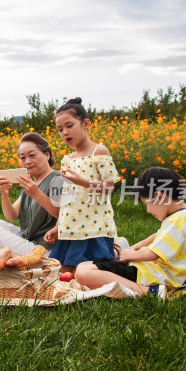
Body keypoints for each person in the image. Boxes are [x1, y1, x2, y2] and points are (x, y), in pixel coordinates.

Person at [74, 167, 186, 297]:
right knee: (83, 266)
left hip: (152, 275)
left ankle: (147, 292)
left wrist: (130, 256)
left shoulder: (178, 220)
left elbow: (152, 254)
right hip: (152, 271)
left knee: (83, 273)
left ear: (158, 196)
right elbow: (159, 236)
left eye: (146, 203)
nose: (148, 210)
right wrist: (134, 248)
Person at [45, 98, 121, 273]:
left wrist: (83, 182)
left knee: (90, 272)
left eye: (69, 126)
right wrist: (58, 226)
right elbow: (67, 197)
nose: (65, 132)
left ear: (86, 123)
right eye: (60, 129)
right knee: (62, 273)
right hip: (70, 227)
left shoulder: (99, 152)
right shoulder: (67, 159)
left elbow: (109, 187)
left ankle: (119, 252)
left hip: (94, 227)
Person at [0, 133, 63, 256]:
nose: (27, 161)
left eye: (32, 155)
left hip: (45, 250)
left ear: (47, 154)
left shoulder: (57, 178)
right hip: (30, 241)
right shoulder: (31, 185)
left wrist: (36, 194)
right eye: (22, 158)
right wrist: (4, 194)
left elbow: (63, 214)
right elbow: (11, 215)